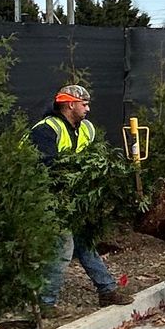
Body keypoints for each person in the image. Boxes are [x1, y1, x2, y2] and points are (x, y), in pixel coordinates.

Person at [33, 83, 133, 314]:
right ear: (70, 105)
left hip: (70, 197)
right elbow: (43, 167)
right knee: (63, 246)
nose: (88, 109)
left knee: (84, 241)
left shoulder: (86, 129)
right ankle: (45, 303)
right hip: (46, 198)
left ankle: (107, 290)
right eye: (84, 104)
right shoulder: (46, 130)